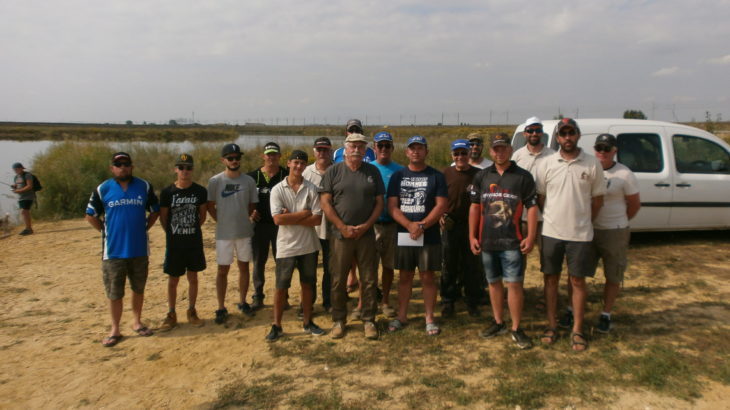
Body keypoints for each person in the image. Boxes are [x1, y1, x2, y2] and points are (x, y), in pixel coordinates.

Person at [535, 118, 605, 351]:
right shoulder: (547, 163)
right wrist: (553, 217)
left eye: (571, 133)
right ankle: (552, 325)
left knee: (577, 280)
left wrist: (583, 220)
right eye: (563, 134)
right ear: (557, 138)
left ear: (578, 135)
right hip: (552, 231)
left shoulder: (592, 164)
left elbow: (597, 200)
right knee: (551, 279)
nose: (567, 137)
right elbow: (541, 198)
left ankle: (577, 329)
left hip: (580, 233)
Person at [468, 134, 538, 350]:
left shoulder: (523, 176)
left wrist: (531, 236)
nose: (499, 152)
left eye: (503, 148)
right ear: (491, 152)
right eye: (496, 149)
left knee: (514, 285)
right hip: (487, 241)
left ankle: (516, 328)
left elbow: (532, 207)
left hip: (512, 241)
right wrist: (472, 236)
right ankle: (499, 322)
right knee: (493, 283)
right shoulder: (482, 176)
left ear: (510, 150)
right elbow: (475, 207)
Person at [85, 152, 160, 347]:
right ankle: (115, 329)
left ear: (132, 166)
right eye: (118, 164)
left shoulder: (144, 186)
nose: (123, 167)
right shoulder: (103, 189)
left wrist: (144, 228)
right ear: (112, 168)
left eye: (126, 164)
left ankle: (137, 322)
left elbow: (155, 211)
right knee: (115, 292)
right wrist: (104, 230)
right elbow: (90, 214)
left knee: (138, 288)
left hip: (139, 250)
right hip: (113, 252)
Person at [320, 132, 385, 340]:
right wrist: (342, 226)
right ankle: (339, 320)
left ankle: (369, 320)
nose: (356, 149)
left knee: (368, 279)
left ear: (365, 149)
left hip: (365, 235)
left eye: (360, 146)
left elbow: (379, 203)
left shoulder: (372, 171)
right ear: (345, 149)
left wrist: (367, 225)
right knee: (338, 279)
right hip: (340, 235)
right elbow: (326, 203)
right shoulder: (333, 171)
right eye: (352, 146)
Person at [387, 136, 448, 336]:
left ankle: (429, 318)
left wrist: (422, 225)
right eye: (412, 148)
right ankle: (401, 316)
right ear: (406, 152)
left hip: (428, 235)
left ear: (426, 152)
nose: (416, 152)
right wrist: (410, 225)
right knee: (404, 276)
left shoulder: (436, 176)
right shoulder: (398, 176)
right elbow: (392, 207)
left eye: (420, 148)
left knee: (427, 276)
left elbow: (441, 205)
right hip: (404, 234)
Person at [266, 150, 325, 341]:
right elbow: (277, 220)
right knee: (281, 287)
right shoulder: (277, 189)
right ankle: (276, 325)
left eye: (302, 163)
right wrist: (303, 213)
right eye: (296, 163)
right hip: (286, 246)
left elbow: (317, 219)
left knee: (308, 285)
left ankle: (308, 322)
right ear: (289, 163)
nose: (299, 167)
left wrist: (290, 216)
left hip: (308, 246)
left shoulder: (311, 189)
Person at [590, 133, 641, 333]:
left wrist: (620, 221)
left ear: (614, 151)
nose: (602, 152)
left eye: (607, 149)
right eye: (599, 148)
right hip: (589, 230)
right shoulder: (589, 169)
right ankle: (570, 309)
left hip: (614, 231)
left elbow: (635, 204)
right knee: (578, 273)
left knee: (613, 275)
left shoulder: (624, 174)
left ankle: (606, 313)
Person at [207, 143, 258, 324]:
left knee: (244, 267)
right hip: (224, 234)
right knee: (223, 270)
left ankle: (243, 302)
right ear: (223, 160)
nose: (234, 161)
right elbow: (209, 205)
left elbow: (252, 205)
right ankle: (221, 307)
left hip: (244, 232)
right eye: (230, 158)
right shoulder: (215, 181)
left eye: (237, 158)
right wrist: (221, 221)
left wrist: (247, 218)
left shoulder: (249, 181)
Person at [157, 154, 207, 331]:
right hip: (175, 244)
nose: (184, 171)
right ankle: (171, 314)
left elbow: (202, 216)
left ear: (192, 170)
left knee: (193, 278)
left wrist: (189, 228)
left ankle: (192, 310)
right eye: (181, 167)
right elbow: (163, 218)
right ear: (175, 169)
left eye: (188, 168)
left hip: (193, 242)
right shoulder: (167, 192)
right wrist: (174, 233)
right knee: (173, 279)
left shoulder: (200, 191)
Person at [440, 139, 482, 318]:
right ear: (452, 155)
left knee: (471, 265)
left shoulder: (479, 175)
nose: (460, 157)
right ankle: (448, 300)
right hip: (450, 225)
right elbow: (438, 198)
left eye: (463, 153)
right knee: (449, 264)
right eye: (456, 154)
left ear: (469, 154)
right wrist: (440, 215)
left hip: (472, 226)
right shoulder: (445, 173)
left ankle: (472, 301)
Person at [248, 142, 288, 311]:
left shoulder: (285, 175)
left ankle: (283, 296)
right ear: (263, 156)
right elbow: (242, 200)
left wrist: (290, 209)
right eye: (268, 154)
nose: (271, 157)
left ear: (280, 156)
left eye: (274, 154)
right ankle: (258, 296)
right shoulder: (252, 176)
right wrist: (248, 213)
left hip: (280, 226)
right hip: (259, 226)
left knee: (283, 262)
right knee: (259, 261)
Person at [368, 131, 403, 318]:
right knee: (368, 266)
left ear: (392, 148)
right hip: (371, 225)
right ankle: (365, 302)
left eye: (387, 145)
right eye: (380, 145)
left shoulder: (400, 170)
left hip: (392, 225)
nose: (383, 149)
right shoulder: (367, 168)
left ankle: (386, 301)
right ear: (374, 148)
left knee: (389, 266)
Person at [302, 137, 334, 312]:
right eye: (319, 150)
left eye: (325, 150)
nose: (322, 153)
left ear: (330, 151)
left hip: (331, 228)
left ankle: (328, 301)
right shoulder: (305, 171)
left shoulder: (338, 170)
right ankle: (308, 303)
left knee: (330, 269)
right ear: (314, 151)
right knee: (309, 268)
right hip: (310, 229)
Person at [11, 162, 35, 235]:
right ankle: (28, 228)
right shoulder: (16, 177)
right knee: (24, 212)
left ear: (22, 168)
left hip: (28, 196)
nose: (16, 170)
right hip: (21, 197)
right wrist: (14, 187)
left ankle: (28, 229)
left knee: (24, 211)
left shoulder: (27, 175)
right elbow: (17, 185)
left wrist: (19, 190)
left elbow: (29, 186)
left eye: (18, 168)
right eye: (15, 169)